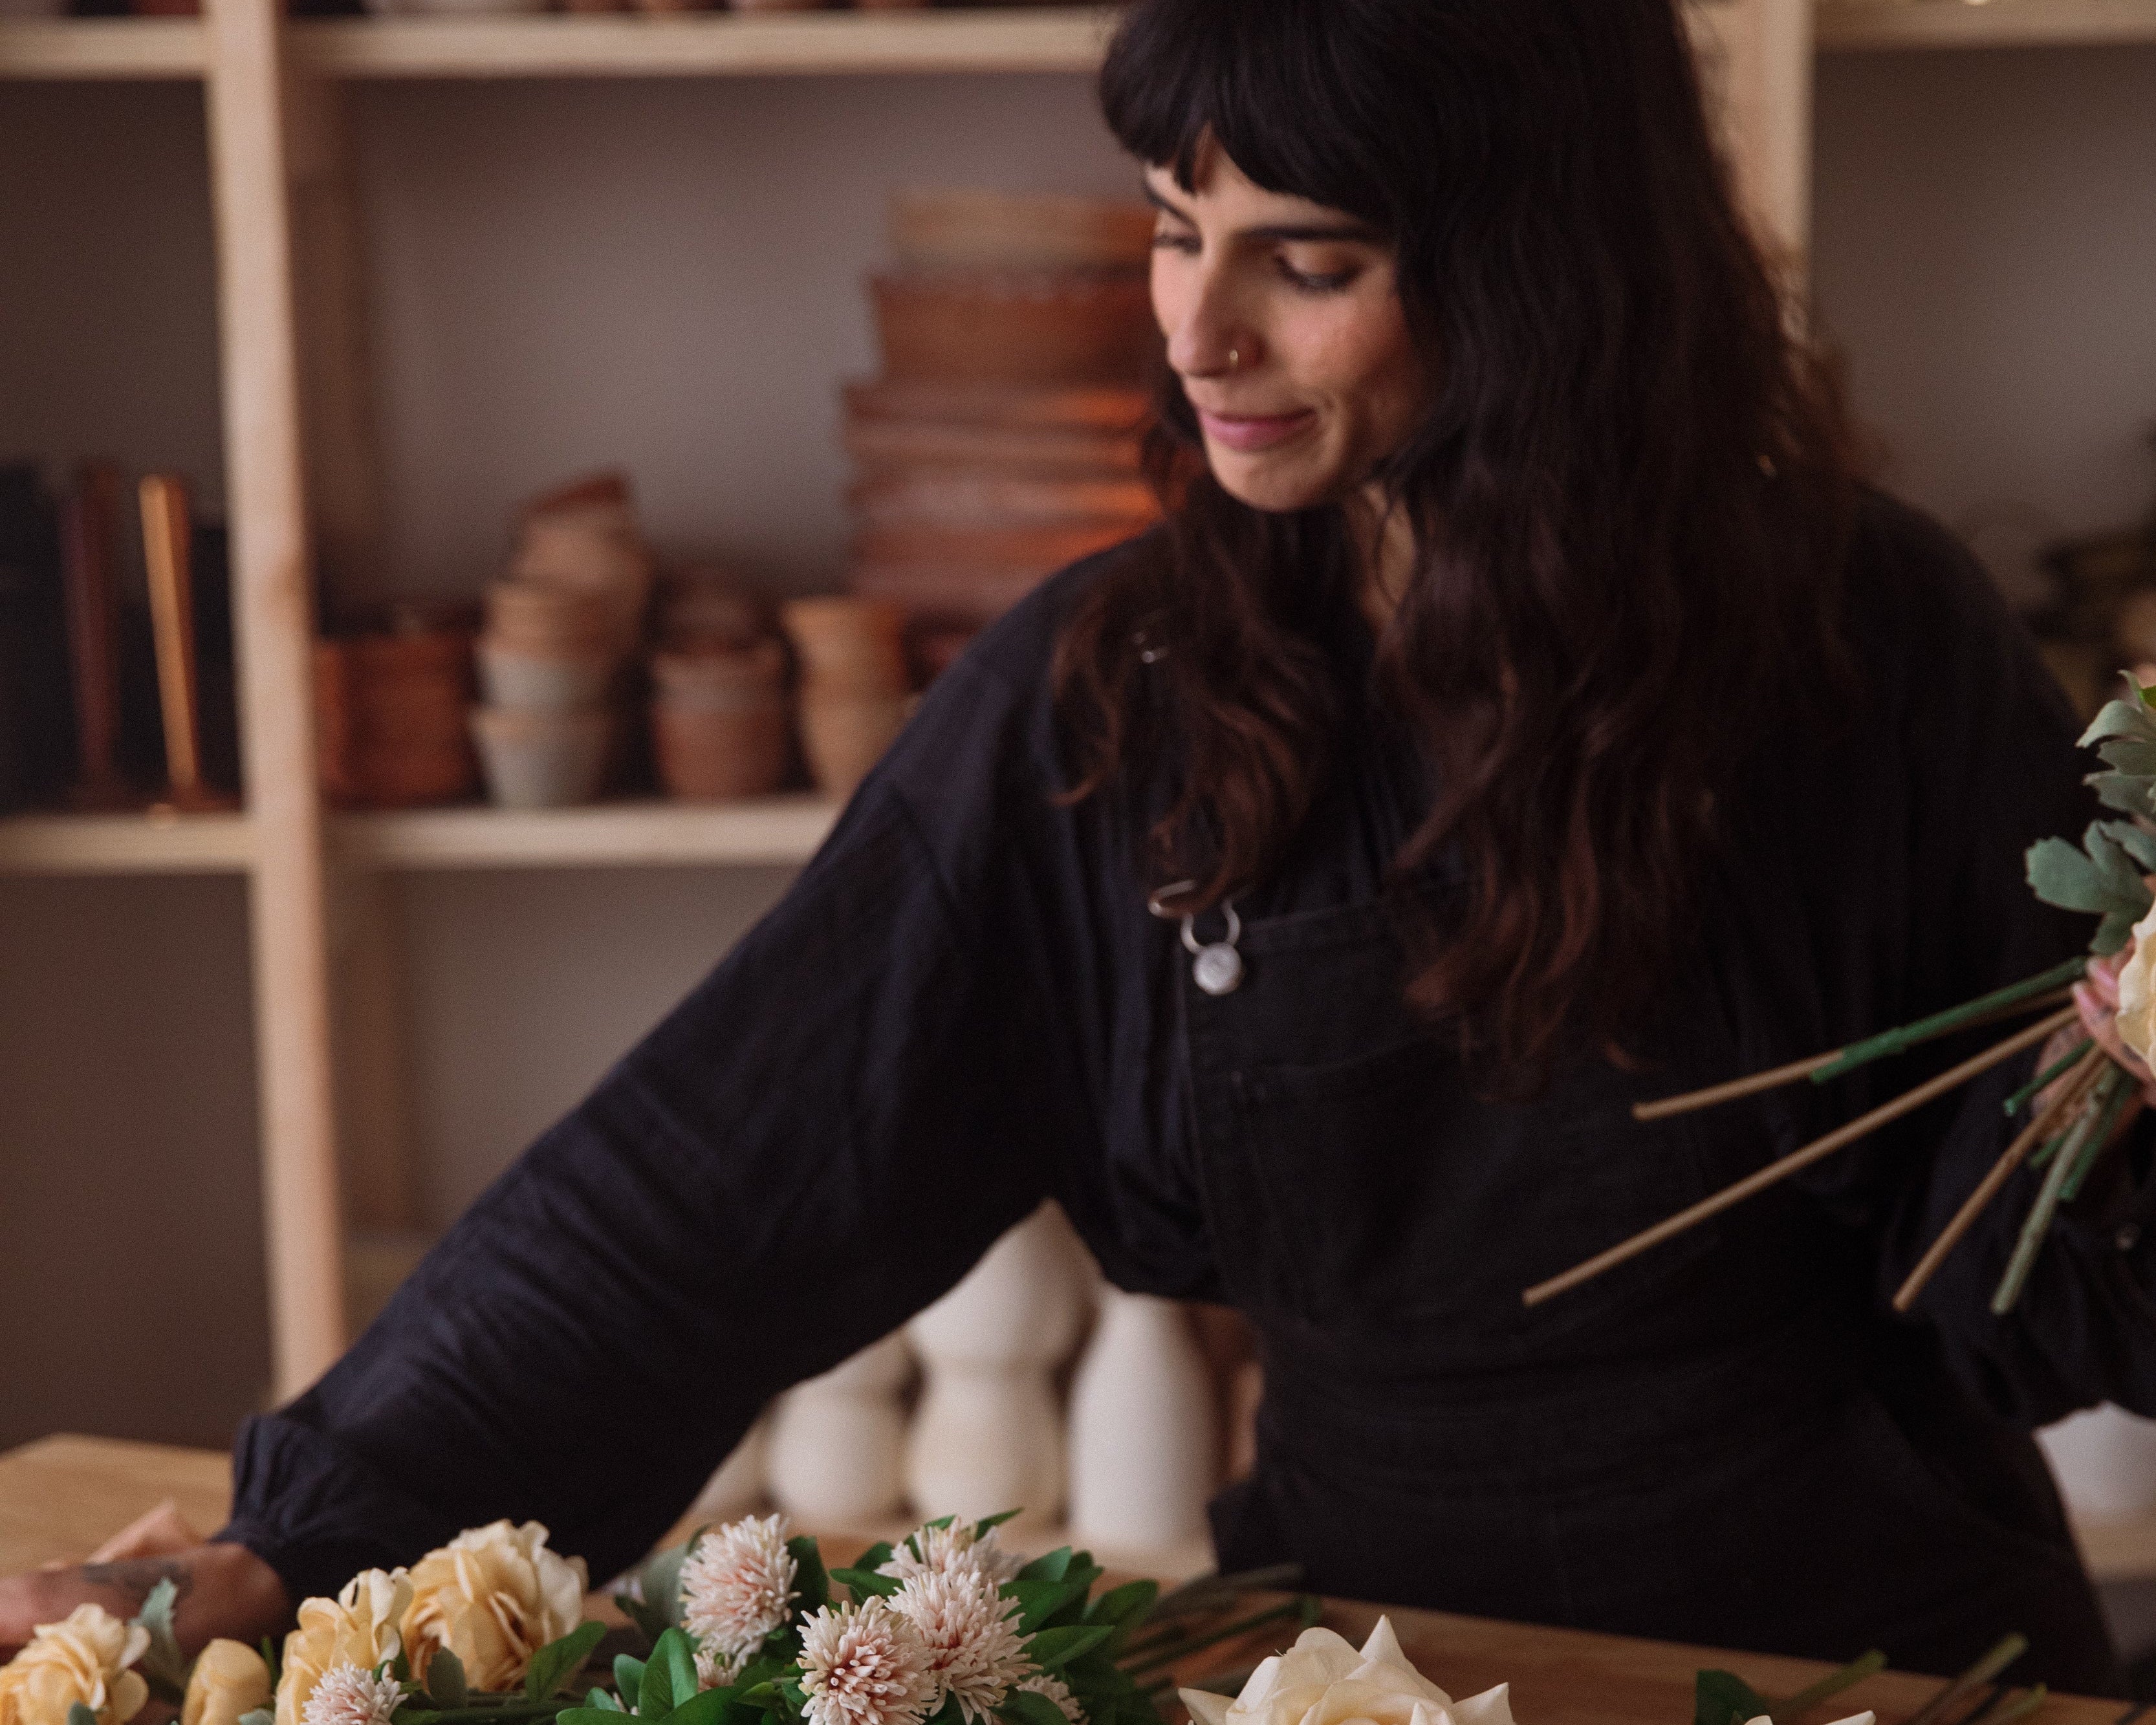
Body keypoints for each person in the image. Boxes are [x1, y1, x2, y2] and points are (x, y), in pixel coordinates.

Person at [9, 0, 2156, 1696]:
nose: (1197, 331)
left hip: (1888, 1663)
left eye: (1306, 260)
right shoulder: (1126, 693)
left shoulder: (1867, 643)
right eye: (1169, 223)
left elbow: (2047, 1286)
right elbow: (700, 1186)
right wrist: (301, 1537)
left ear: (1539, 275)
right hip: (1376, 1676)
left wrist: (2135, 1067)